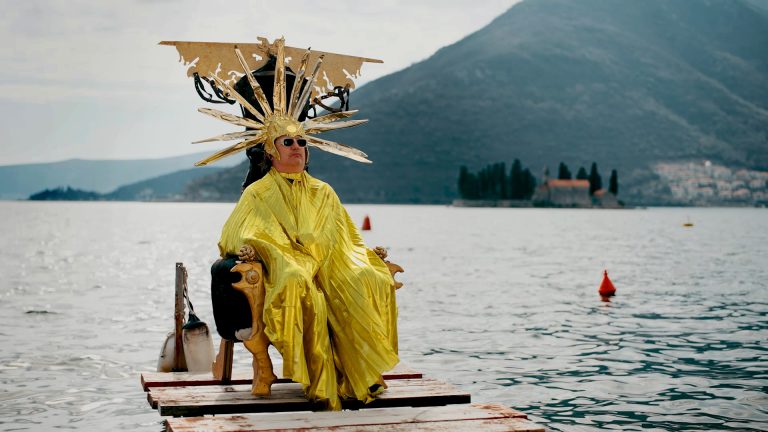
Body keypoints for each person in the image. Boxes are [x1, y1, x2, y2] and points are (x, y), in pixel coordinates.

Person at [215, 134, 399, 410]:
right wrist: (271, 251)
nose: (297, 148)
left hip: (330, 261)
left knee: (368, 277)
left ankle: (364, 369)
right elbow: (238, 232)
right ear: (270, 151)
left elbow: (347, 237)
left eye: (302, 143)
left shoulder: (324, 191)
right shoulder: (257, 192)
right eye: (287, 143)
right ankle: (314, 376)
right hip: (286, 261)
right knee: (296, 279)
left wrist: (362, 258)